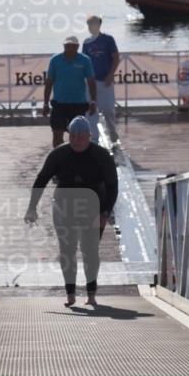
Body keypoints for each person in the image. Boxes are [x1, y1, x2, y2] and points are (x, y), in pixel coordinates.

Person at [24, 117, 118, 307]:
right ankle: (70, 293)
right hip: (64, 206)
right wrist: (32, 207)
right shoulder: (59, 154)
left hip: (93, 207)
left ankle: (91, 293)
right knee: (67, 251)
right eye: (73, 136)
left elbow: (112, 186)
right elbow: (42, 179)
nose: (76, 141)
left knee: (90, 251)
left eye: (81, 137)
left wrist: (105, 213)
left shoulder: (101, 156)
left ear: (89, 136)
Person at [42, 36, 97, 148]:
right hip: (59, 104)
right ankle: (59, 158)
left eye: (72, 46)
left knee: (78, 135)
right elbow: (49, 82)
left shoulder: (85, 60)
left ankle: (76, 158)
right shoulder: (55, 60)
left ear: (77, 47)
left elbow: (91, 81)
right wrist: (45, 103)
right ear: (64, 46)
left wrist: (93, 101)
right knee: (57, 134)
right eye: (67, 46)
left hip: (78, 104)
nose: (70, 49)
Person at [82, 15, 120, 145]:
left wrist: (110, 75)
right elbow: (84, 62)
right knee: (91, 110)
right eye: (89, 25)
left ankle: (112, 130)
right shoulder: (86, 42)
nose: (91, 27)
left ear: (99, 25)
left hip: (105, 81)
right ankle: (94, 138)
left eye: (93, 24)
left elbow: (116, 58)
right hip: (91, 82)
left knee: (109, 110)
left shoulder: (108, 39)